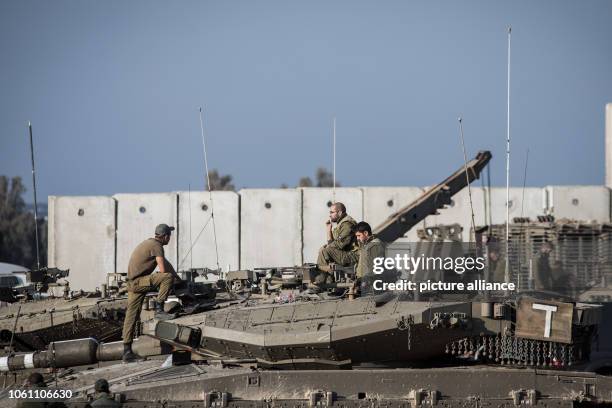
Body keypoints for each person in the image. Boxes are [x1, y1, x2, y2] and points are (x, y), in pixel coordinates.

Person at [121, 223, 182, 363]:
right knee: (167, 278)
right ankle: (159, 309)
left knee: (131, 315)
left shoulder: (151, 243)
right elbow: (163, 271)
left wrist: (178, 279)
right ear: (165, 236)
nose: (170, 239)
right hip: (139, 282)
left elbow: (167, 265)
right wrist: (172, 281)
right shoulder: (157, 246)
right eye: (169, 236)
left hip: (133, 283)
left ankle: (127, 352)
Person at [316, 202, 359, 275]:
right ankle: (326, 275)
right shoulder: (341, 224)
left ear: (339, 213)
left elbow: (339, 245)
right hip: (346, 253)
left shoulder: (347, 224)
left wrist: (327, 247)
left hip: (352, 255)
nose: (330, 215)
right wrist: (328, 230)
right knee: (323, 249)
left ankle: (323, 275)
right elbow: (333, 244)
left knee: (325, 250)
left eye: (332, 212)